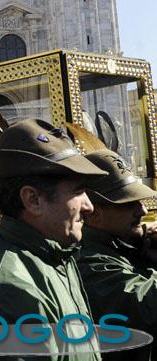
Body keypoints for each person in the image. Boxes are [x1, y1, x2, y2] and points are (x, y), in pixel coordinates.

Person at [0, 119, 107, 361]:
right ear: (33, 200)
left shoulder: (54, 257)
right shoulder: (6, 291)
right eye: (78, 191)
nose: (89, 206)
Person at [77, 149, 157, 360]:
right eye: (129, 204)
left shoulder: (123, 247)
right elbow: (145, 309)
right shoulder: (89, 262)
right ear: (94, 214)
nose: (141, 210)